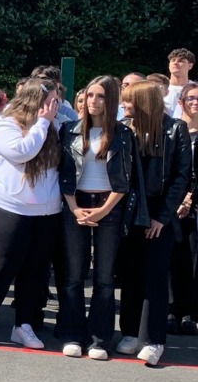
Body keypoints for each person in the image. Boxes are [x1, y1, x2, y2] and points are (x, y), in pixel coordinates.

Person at [0, 78, 63, 350]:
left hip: (46, 212)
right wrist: (43, 123)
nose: (55, 105)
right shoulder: (6, 125)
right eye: (51, 100)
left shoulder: (56, 124)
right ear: (36, 102)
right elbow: (22, 153)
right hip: (11, 207)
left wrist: (49, 122)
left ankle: (23, 326)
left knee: (35, 271)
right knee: (2, 267)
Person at [56, 76, 133, 360]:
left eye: (100, 96)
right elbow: (63, 174)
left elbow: (124, 181)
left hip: (109, 205)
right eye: (90, 95)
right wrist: (75, 208)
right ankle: (73, 334)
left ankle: (99, 338)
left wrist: (103, 210)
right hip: (75, 203)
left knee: (103, 278)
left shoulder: (123, 134)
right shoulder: (69, 130)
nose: (93, 101)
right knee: (74, 275)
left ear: (110, 100)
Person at [117, 80, 192, 366]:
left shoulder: (176, 129)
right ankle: (130, 332)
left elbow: (181, 177)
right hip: (130, 214)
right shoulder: (125, 129)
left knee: (156, 278)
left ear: (144, 101)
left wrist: (162, 216)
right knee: (131, 274)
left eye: (129, 101)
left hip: (161, 216)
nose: (125, 106)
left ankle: (153, 339)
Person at [169, 82, 198, 334]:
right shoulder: (173, 130)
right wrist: (179, 199)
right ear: (181, 102)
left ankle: (190, 312)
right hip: (172, 203)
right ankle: (171, 310)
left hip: (194, 205)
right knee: (171, 258)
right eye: (190, 98)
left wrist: (190, 198)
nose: (195, 103)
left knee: (193, 259)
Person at [164, 48, 194, 115]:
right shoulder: (159, 88)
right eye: (173, 60)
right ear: (169, 65)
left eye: (181, 61)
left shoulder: (195, 89)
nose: (175, 63)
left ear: (190, 66)